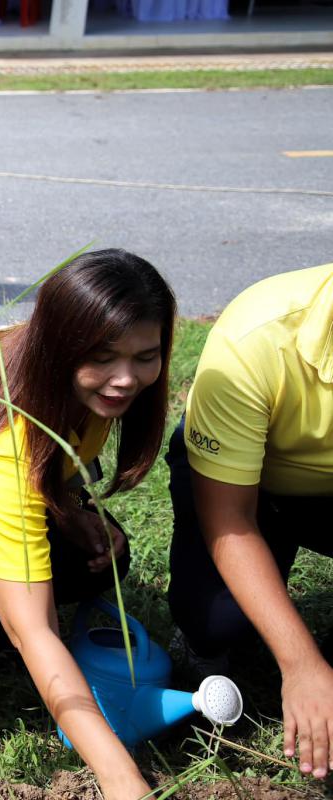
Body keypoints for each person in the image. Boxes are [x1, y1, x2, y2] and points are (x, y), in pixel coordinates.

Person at [0, 250, 176, 800]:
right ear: (59, 345)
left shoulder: (56, 369)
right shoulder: (7, 448)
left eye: (146, 356)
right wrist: (122, 779)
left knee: (97, 559)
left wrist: (67, 506)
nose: (125, 379)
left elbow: (55, 459)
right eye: (103, 358)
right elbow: (34, 631)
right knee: (17, 606)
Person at [166, 264, 333, 780]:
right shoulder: (256, 337)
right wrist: (301, 665)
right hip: (246, 488)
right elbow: (229, 517)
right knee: (217, 620)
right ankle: (200, 646)